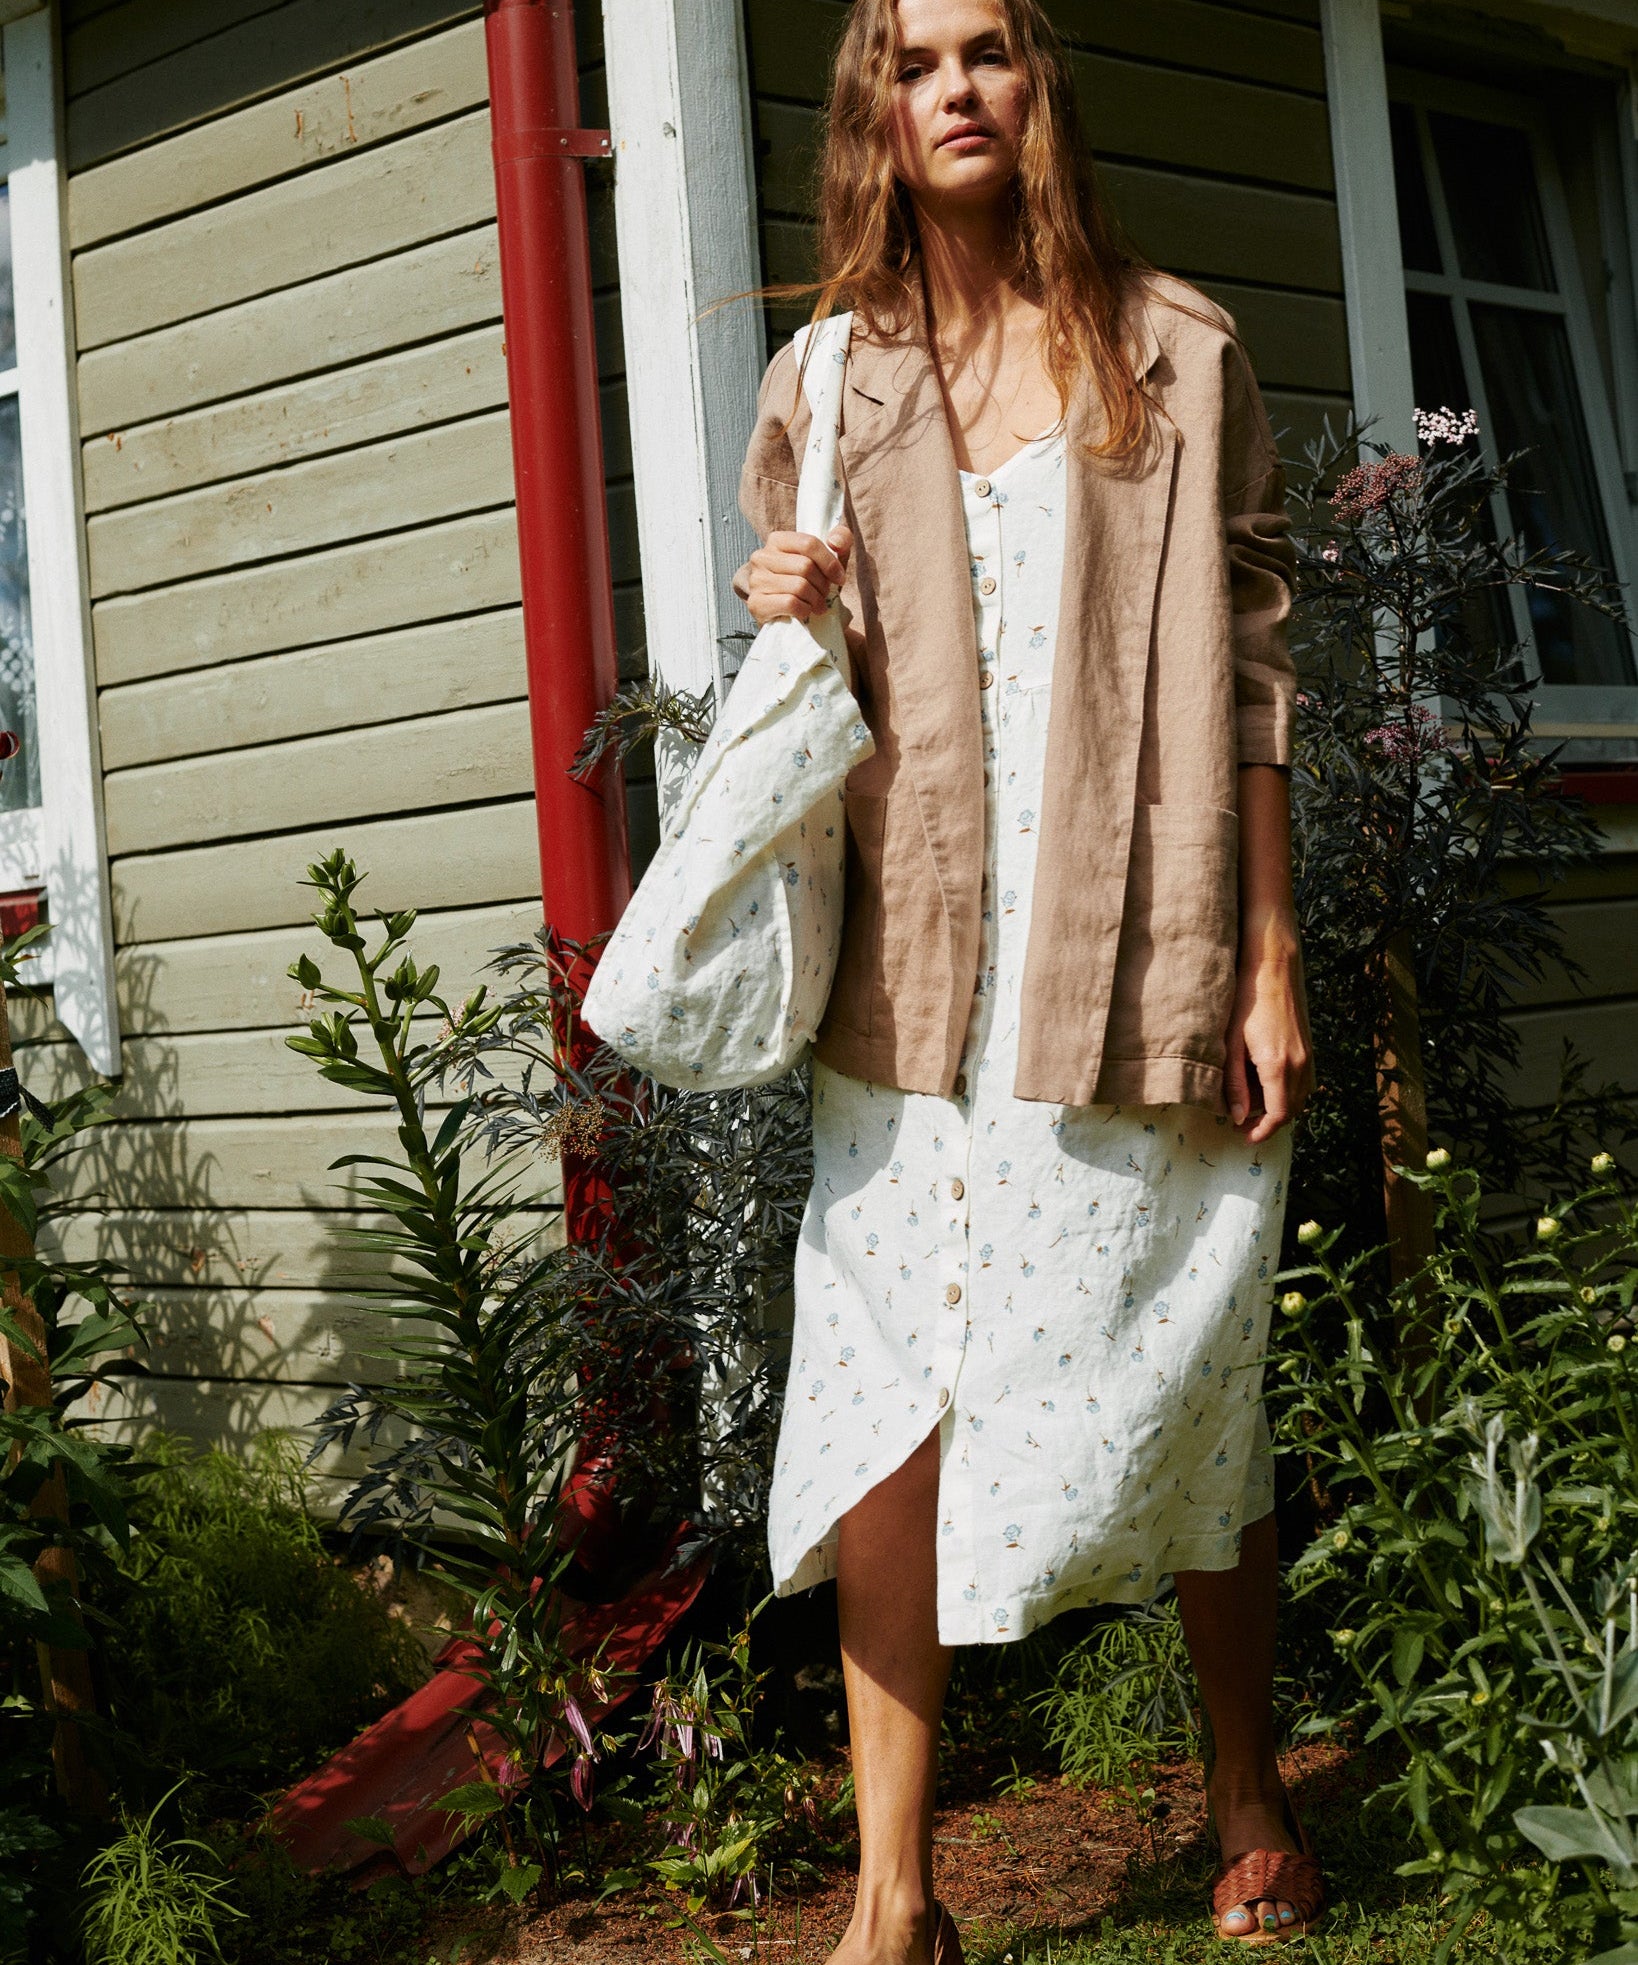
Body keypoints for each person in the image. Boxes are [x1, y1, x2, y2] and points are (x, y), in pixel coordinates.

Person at [731, 0, 1318, 1952]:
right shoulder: (830, 377)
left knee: (1191, 1362)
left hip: (1132, 946)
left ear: (1034, 85)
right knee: (880, 1407)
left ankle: (1243, 1779)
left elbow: (1252, 675)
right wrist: (783, 599)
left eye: (984, 50)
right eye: (912, 64)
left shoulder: (1177, 348)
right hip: (911, 977)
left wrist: (1267, 957)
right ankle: (893, 1897)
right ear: (875, 114)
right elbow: (804, 683)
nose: (954, 89)